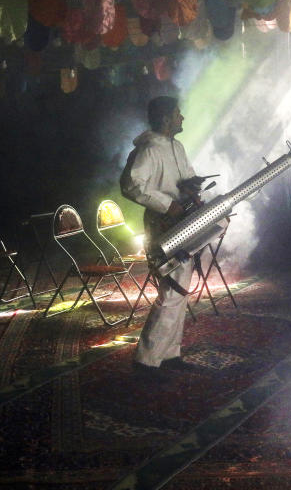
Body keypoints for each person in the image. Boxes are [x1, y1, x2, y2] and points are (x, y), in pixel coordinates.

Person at [120, 96, 199, 374]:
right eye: (178, 113)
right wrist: (168, 204)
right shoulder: (149, 149)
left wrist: (192, 190)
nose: (182, 118)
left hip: (183, 222)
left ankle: (170, 355)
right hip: (162, 225)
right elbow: (131, 185)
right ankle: (146, 361)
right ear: (166, 119)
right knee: (172, 291)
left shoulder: (176, 146)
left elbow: (185, 178)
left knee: (180, 289)